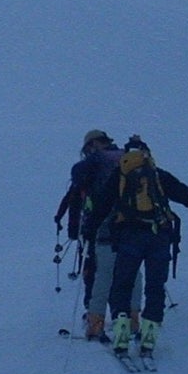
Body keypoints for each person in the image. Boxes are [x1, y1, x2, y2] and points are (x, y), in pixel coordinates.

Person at [105, 136, 188, 360]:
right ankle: (149, 337)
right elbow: (186, 195)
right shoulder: (158, 175)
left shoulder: (119, 176)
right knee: (155, 287)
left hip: (129, 236)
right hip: (159, 237)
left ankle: (121, 333)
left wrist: (88, 230)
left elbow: (101, 206)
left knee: (122, 285)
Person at [56, 129, 142, 341]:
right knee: (131, 271)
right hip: (135, 224)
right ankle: (132, 318)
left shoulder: (93, 163)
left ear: (92, 145)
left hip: (100, 227)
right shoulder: (128, 158)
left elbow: (76, 193)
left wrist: (74, 230)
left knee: (96, 273)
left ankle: (95, 321)